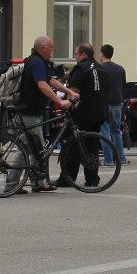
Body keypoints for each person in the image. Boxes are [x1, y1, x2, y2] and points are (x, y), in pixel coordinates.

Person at [16, 36, 76, 191]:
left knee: (38, 150)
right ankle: (12, 184)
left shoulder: (40, 62)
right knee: (26, 149)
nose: (52, 50)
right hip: (29, 111)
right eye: (51, 47)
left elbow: (51, 81)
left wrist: (69, 92)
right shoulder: (36, 62)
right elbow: (42, 84)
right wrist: (60, 101)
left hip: (35, 111)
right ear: (43, 48)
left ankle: (39, 182)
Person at [57, 43, 105, 188]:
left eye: (76, 54)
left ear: (83, 54)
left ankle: (67, 178)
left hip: (82, 112)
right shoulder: (102, 68)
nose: (75, 57)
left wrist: (66, 105)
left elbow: (74, 91)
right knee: (92, 146)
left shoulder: (81, 68)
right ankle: (92, 179)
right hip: (99, 112)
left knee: (74, 146)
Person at [98, 44, 128, 165]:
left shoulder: (99, 68)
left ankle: (108, 160)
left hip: (104, 104)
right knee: (117, 132)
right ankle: (121, 158)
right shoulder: (120, 69)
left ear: (102, 54)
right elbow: (123, 86)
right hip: (117, 103)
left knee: (105, 132)